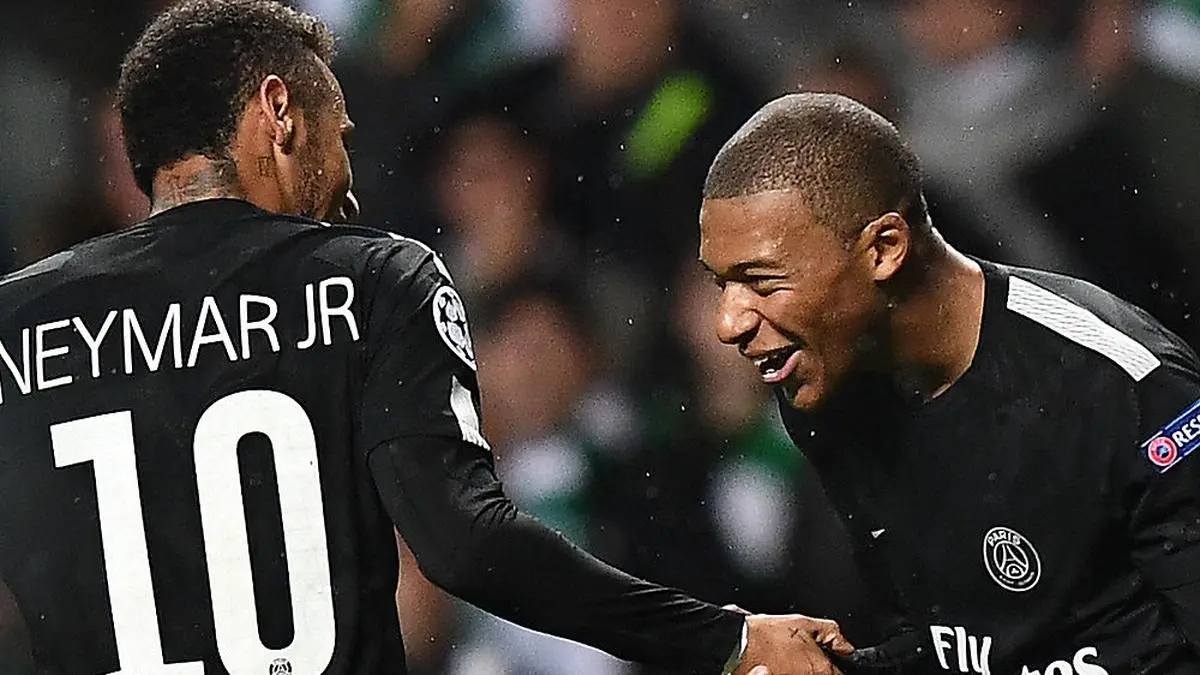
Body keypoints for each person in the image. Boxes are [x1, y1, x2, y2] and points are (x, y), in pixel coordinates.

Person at [0, 2, 855, 674]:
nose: (347, 182)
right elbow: (466, 545)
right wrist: (727, 637)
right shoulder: (370, 281)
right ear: (279, 114)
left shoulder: (21, 322)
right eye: (340, 135)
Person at [698, 92, 1200, 674]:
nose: (727, 323)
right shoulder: (829, 390)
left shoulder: (1127, 387)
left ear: (885, 249)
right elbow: (955, 643)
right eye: (720, 284)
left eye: (761, 281)